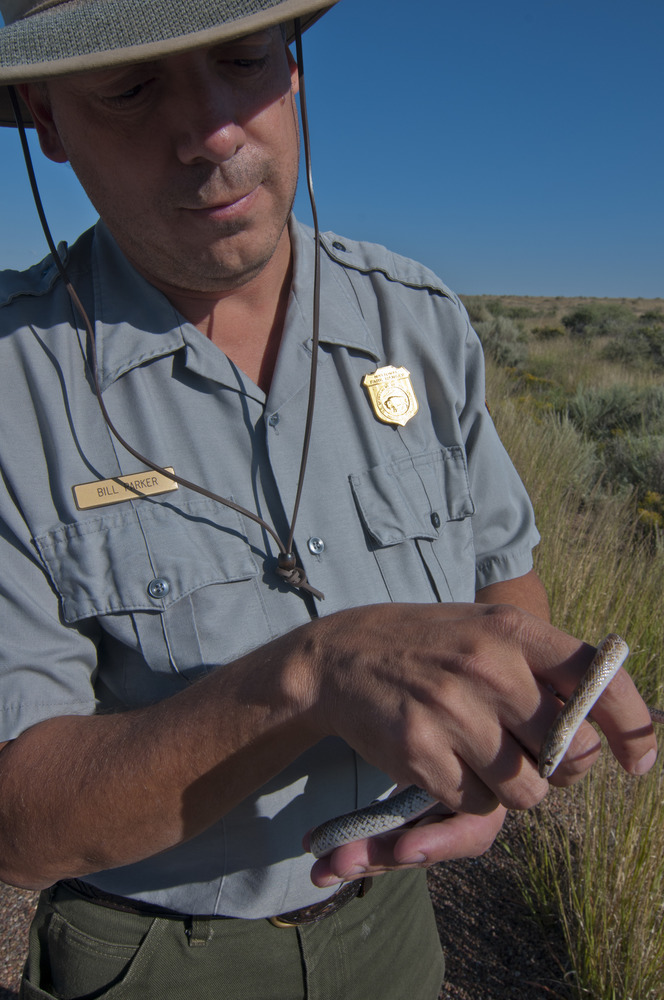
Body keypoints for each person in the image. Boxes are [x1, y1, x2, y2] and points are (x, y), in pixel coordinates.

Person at [0, 1, 657, 998]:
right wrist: (312, 670)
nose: (213, 132)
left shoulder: (420, 320)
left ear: (294, 63)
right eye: (131, 88)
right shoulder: (14, 388)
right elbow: (19, 825)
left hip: (395, 931)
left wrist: (491, 768)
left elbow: (504, 587)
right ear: (43, 117)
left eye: (243, 56)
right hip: (153, 958)